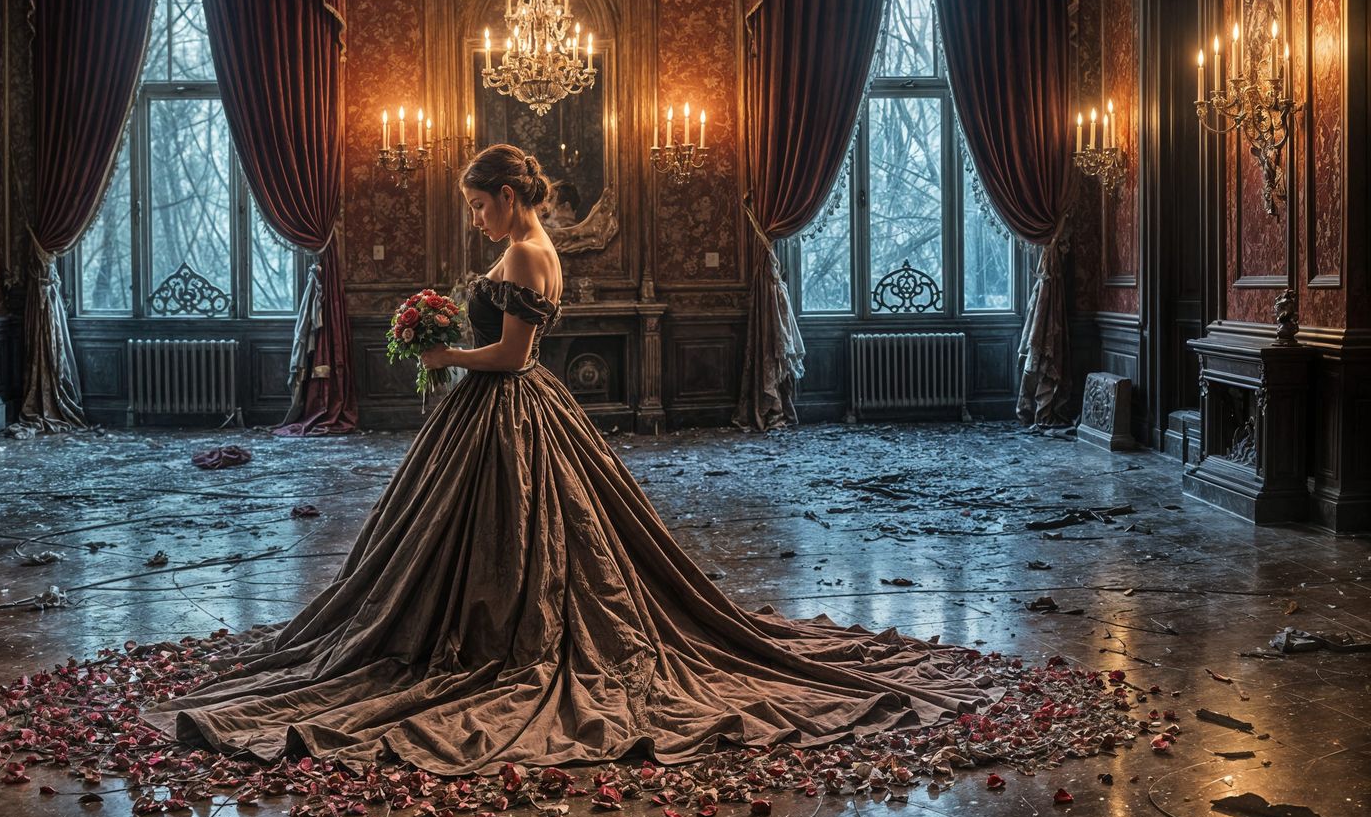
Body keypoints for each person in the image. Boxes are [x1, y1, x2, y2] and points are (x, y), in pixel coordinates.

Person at [149, 143, 989, 772]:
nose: (477, 218)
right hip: (509, 412)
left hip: (505, 404)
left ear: (510, 197)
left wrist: (443, 358)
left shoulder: (522, 253)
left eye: (480, 205)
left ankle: (482, 640)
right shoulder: (530, 247)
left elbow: (513, 359)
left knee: (510, 539)